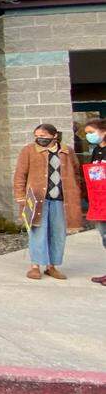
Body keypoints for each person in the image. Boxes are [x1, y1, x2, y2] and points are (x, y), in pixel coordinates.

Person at [13, 123, 83, 280]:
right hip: (37, 199)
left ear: (54, 136)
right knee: (38, 232)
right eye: (37, 136)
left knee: (58, 234)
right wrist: (20, 196)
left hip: (61, 200)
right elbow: (20, 175)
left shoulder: (67, 151)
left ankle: (52, 266)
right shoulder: (29, 150)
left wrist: (75, 191)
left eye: (43, 136)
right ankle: (35, 266)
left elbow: (76, 172)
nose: (40, 139)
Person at [81, 118, 106, 285]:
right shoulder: (96, 150)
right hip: (99, 200)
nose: (89, 136)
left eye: (91, 132)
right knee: (105, 237)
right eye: (87, 133)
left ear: (103, 132)